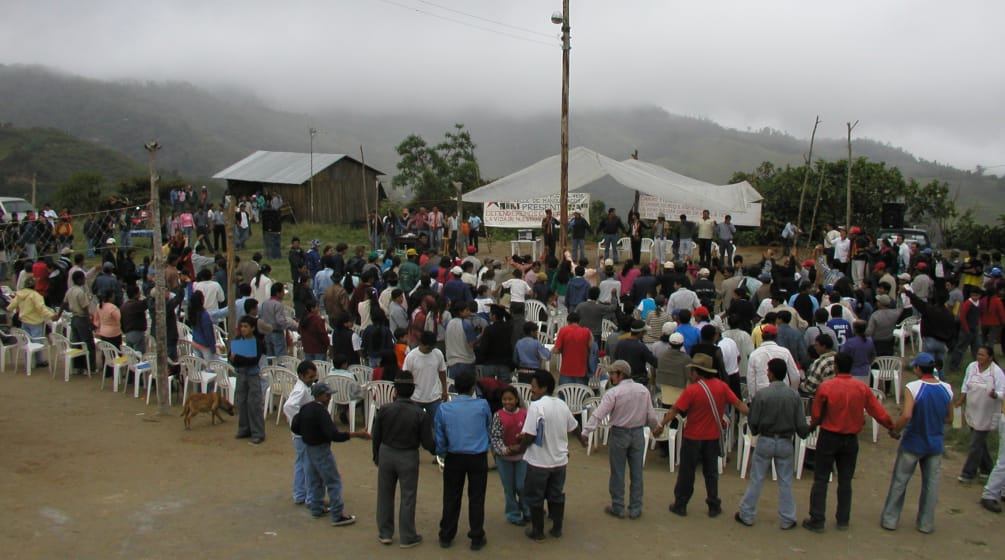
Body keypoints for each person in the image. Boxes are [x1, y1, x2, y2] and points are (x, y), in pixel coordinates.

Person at [803, 352, 895, 532]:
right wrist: (890, 426)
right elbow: (877, 411)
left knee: (821, 479)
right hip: (851, 438)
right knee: (845, 481)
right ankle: (843, 519)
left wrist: (811, 427)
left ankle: (817, 519)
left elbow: (816, 415)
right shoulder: (861, 388)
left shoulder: (826, 387)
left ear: (835, 366)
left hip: (829, 436)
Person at [657, 353, 748, 517]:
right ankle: (713, 505)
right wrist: (755, 417)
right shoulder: (722, 386)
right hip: (712, 437)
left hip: (692, 437)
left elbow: (674, 410)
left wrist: (661, 425)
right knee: (711, 473)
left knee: (687, 473)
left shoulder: (692, 390)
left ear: (697, 372)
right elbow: (739, 404)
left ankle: (681, 504)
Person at [880, 352, 954, 533]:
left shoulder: (913, 387)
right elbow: (950, 417)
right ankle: (926, 523)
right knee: (931, 485)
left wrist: (896, 429)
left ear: (919, 369)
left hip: (913, 441)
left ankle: (890, 519)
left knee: (900, 481)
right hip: (935, 443)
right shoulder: (947, 388)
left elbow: (906, 414)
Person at [580, 360, 661, 519]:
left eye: (612, 373)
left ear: (620, 374)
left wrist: (586, 431)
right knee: (637, 472)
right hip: (637, 433)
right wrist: (655, 428)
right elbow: (651, 415)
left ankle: (618, 506)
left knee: (618, 472)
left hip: (619, 433)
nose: (611, 376)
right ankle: (635, 507)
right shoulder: (642, 390)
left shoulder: (614, 393)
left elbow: (599, 414)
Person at [735, 358, 810, 529]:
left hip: (766, 439)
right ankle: (787, 518)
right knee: (785, 481)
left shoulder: (762, 395)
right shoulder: (794, 396)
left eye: (768, 371)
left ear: (772, 373)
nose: (767, 374)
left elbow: (753, 422)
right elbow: (800, 425)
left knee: (757, 479)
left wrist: (756, 429)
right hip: (785, 441)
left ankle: (747, 513)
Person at [291, 382, 371, 526]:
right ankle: (337, 514)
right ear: (321, 396)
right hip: (321, 449)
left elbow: (295, 427)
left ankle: (316, 508)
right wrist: (356, 434)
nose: (329, 398)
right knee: (333, 482)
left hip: (308, 448)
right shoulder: (321, 412)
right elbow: (334, 435)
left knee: (315, 480)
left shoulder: (305, 408)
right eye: (327, 395)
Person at [372, 371, 436, 548]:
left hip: (386, 452)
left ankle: (385, 533)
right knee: (408, 497)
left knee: (384, 494)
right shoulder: (419, 413)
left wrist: (376, 455)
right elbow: (428, 442)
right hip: (408, 455)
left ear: (395, 391)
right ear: (412, 391)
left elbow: (376, 435)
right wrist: (440, 450)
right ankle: (407, 536)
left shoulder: (385, 410)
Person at [514, 370, 579, 541]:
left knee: (535, 497)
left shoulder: (535, 406)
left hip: (539, 462)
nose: (531, 390)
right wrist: (583, 442)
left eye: (534, 387)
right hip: (559, 461)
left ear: (543, 388)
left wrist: (519, 448)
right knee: (556, 494)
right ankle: (557, 528)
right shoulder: (561, 404)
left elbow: (529, 435)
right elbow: (574, 427)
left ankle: (538, 530)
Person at [434, 371, 492, 550]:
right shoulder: (482, 405)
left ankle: (446, 534)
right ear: (473, 387)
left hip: (454, 456)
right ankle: (476, 536)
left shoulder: (444, 408)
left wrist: (442, 453)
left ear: (455, 388)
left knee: (451, 496)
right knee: (476, 497)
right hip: (477, 456)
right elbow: (488, 427)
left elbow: (440, 435)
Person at [955, 345, 1005, 483]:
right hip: (972, 409)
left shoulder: (997, 372)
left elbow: (1002, 391)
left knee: (975, 443)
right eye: (978, 354)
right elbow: (966, 384)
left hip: (987, 413)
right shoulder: (972, 367)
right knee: (979, 442)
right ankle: (987, 468)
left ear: (990, 357)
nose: (979, 357)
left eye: (983, 355)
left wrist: (995, 394)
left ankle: (967, 473)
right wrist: (961, 400)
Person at [489, 386, 530, 526]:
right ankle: (513, 514)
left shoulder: (524, 414)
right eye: (505, 399)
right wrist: (505, 450)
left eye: (510, 399)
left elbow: (530, 433)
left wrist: (522, 442)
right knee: (509, 488)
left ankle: (527, 510)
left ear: (517, 399)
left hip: (522, 457)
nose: (508, 402)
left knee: (522, 486)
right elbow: (495, 437)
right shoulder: (498, 415)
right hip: (504, 458)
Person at [282, 361, 319, 509]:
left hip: (299, 433)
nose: (312, 379)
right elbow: (289, 406)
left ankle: (299, 494)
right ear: (302, 376)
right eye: (310, 377)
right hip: (302, 434)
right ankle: (310, 498)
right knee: (308, 465)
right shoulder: (301, 390)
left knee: (301, 463)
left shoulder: (305, 387)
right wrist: (301, 423)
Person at [231, 315, 267, 445]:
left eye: (246, 326)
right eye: (241, 326)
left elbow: (253, 360)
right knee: (242, 402)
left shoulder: (256, 342)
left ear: (252, 328)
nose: (243, 329)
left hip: (252, 375)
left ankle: (258, 433)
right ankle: (244, 429)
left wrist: (239, 357)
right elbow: (233, 359)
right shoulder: (238, 339)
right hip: (241, 374)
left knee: (254, 403)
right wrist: (240, 358)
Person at [7, 277, 54, 368]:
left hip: (24, 322)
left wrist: (11, 309)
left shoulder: (20, 294)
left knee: (26, 342)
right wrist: (52, 316)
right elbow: (42, 309)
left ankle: (27, 361)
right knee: (37, 342)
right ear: (34, 285)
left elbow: (11, 306)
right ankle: (38, 361)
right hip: (35, 322)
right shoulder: (35, 295)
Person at [403, 331, 448, 420]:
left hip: (434, 397)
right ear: (421, 343)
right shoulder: (411, 356)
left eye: (432, 348)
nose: (430, 350)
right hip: (415, 398)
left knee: (436, 424)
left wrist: (444, 390)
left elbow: (442, 372)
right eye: (428, 348)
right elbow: (405, 376)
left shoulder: (438, 354)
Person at [551, 312, 594, 385]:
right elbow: (591, 348)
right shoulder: (586, 332)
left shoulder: (563, 330)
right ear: (579, 321)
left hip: (566, 370)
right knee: (580, 394)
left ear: (568, 321)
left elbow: (556, 350)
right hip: (582, 370)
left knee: (565, 393)